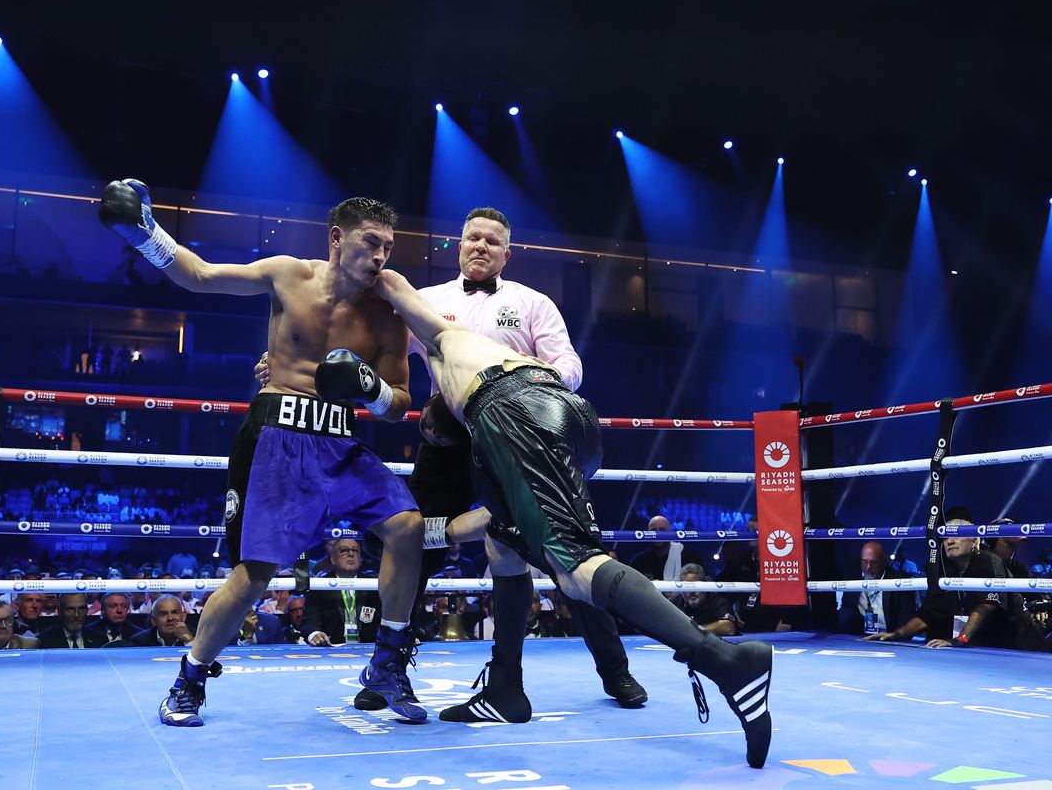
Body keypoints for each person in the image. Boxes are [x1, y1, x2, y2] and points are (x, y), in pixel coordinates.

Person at [366, 269, 774, 769]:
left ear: (442, 415)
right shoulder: (483, 395)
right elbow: (486, 521)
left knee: (576, 569)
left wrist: (356, 274)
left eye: (430, 428)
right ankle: (505, 689)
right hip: (563, 414)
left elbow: (392, 285)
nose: (427, 431)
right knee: (505, 543)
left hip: (515, 409)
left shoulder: (449, 341)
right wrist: (425, 532)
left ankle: (726, 661)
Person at [258, 207, 645, 709]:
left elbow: (570, 365)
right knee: (412, 546)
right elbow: (366, 344)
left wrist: (534, 377)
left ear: (507, 253)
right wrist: (285, 364)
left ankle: (615, 671)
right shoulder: (424, 301)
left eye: (492, 241)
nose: (480, 246)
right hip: (448, 443)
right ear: (459, 246)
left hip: (522, 443)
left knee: (565, 553)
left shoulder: (533, 303)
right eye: (472, 238)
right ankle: (387, 671)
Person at [100, 181, 426, 725]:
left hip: (340, 442)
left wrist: (369, 389)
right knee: (255, 574)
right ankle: (189, 681)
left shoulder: (388, 313)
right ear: (336, 238)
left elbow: (400, 404)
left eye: (388, 247)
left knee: (407, 526)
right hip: (276, 438)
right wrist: (145, 234)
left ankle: (387, 665)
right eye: (371, 242)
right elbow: (201, 275)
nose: (380, 256)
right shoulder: (287, 274)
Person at [865, 533, 1044, 650]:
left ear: (975, 541)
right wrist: (898, 634)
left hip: (1022, 645)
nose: (950, 541)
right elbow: (930, 612)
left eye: (957, 535)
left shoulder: (988, 560)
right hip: (993, 647)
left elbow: (988, 603)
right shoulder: (946, 570)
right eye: (946, 537)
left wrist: (961, 639)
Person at [301, 539, 381, 646]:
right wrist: (314, 634)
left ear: (361, 559)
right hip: (330, 648)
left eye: (355, 550)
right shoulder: (319, 586)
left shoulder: (374, 585)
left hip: (370, 648)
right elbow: (310, 619)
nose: (351, 554)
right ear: (333, 559)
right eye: (344, 550)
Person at [836, 541, 916, 636]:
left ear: (884, 561)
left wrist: (896, 635)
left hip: (888, 632)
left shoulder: (900, 580)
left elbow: (906, 616)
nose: (868, 567)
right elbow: (846, 607)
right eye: (865, 562)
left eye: (873, 562)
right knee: (845, 615)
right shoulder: (852, 574)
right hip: (860, 631)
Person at [38, 594, 107, 649]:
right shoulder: (43, 641)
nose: (76, 615)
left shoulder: (101, 640)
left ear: (87, 610)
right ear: (59, 611)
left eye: (81, 609)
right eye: (70, 609)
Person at [131, 595, 196, 647]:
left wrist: (189, 640)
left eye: (175, 612)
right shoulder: (140, 642)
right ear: (154, 620)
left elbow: (199, 659)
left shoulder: (198, 637)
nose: (170, 618)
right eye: (163, 614)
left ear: (183, 617)